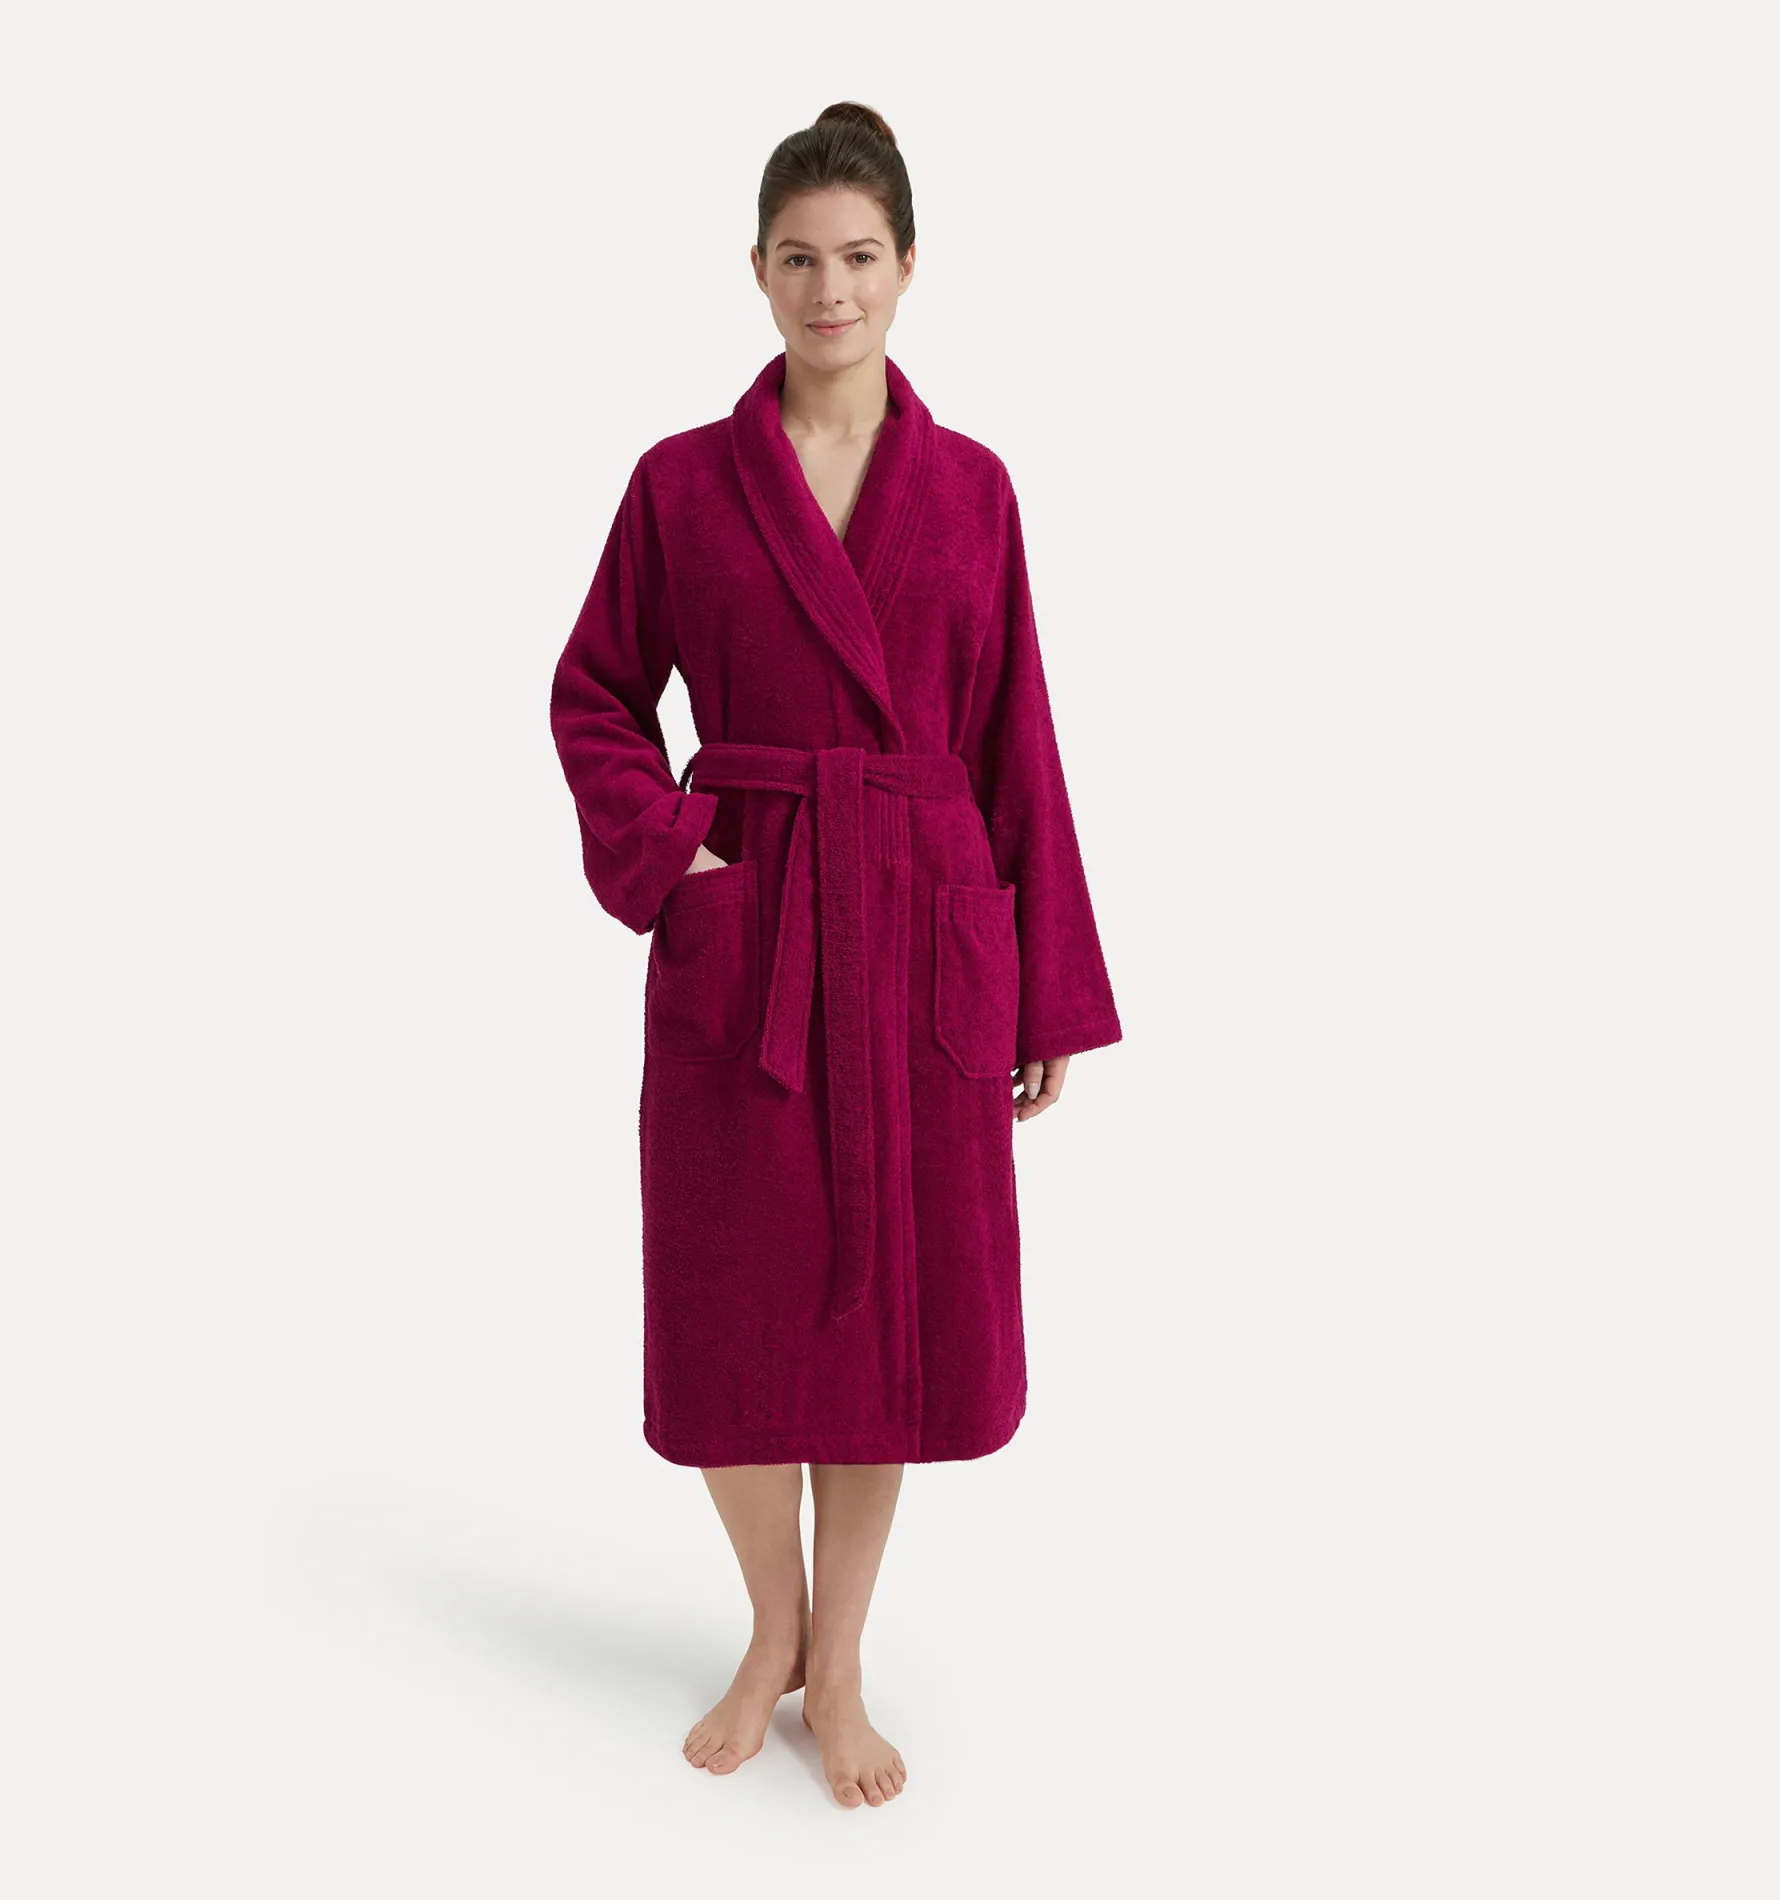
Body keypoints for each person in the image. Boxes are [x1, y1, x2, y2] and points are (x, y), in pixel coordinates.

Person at [549, 101, 1122, 1809]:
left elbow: (1017, 739)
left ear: (910, 266)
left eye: (859, 256)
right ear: (756, 270)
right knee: (730, 1309)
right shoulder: (681, 484)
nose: (830, 288)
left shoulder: (974, 490)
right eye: (798, 258)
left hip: (921, 940)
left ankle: (844, 1658)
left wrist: (1045, 981)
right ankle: (772, 1627)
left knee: (889, 1328)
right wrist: (684, 857)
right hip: (750, 936)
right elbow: (594, 692)